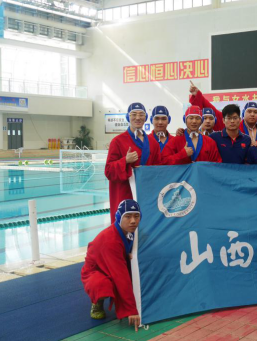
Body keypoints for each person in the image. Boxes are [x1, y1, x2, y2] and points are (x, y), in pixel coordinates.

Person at [81, 199, 142, 331]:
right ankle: (97, 302)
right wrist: (131, 309)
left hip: (113, 263)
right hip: (95, 272)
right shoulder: (110, 240)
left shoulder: (130, 231)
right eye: (128, 216)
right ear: (119, 217)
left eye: (136, 216)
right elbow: (120, 276)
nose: (133, 221)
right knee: (102, 285)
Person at [105, 103, 161, 220]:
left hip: (147, 194)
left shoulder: (153, 143)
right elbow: (109, 171)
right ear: (128, 117)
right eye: (134, 114)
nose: (137, 117)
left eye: (141, 114)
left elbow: (158, 170)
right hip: (126, 193)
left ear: (145, 118)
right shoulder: (117, 141)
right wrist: (125, 160)